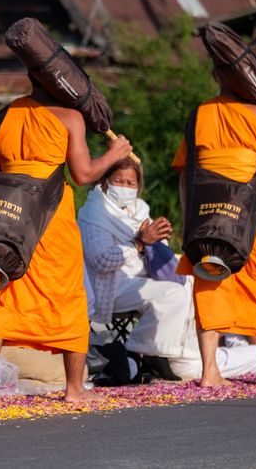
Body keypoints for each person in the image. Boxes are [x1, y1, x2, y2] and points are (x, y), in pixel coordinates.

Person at [0, 78, 132, 405]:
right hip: (49, 215)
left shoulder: (6, 113)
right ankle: (74, 389)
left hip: (7, 214)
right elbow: (82, 174)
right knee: (68, 296)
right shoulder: (68, 117)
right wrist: (115, 153)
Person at [172, 72, 256, 388]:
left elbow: (185, 174)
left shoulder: (198, 114)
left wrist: (190, 219)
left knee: (210, 280)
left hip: (207, 212)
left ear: (215, 75)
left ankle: (210, 372)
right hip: (252, 212)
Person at [78, 158, 194, 380]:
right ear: (104, 181)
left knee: (190, 283)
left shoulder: (140, 209)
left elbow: (153, 247)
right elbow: (100, 261)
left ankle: (178, 355)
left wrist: (158, 240)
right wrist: (139, 243)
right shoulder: (93, 214)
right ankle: (141, 352)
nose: (125, 187)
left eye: (130, 183)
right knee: (173, 293)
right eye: (118, 181)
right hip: (110, 287)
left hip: (140, 278)